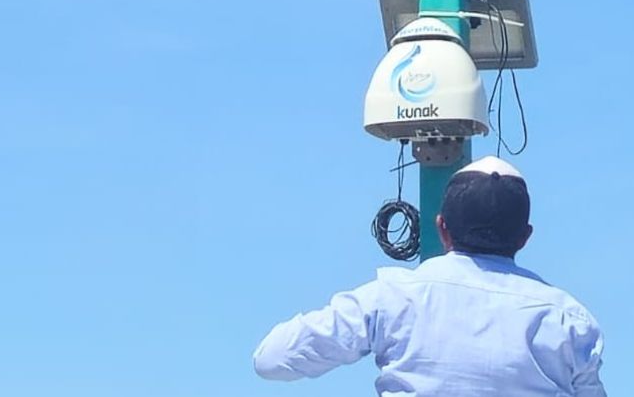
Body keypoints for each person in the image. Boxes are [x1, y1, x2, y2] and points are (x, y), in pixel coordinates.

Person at [252, 156, 607, 396]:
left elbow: (272, 359)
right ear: (525, 237)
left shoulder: (391, 297)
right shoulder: (567, 318)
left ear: (442, 228)